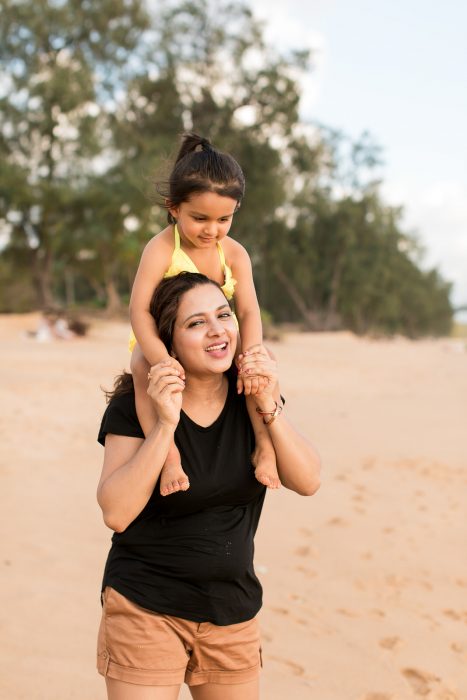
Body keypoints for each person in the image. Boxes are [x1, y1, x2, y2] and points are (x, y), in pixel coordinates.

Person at [97, 272, 321, 700]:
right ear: (168, 342)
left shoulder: (251, 400)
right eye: (196, 323)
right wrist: (164, 424)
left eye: (223, 315)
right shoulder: (135, 407)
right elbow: (116, 511)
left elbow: (308, 480)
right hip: (146, 607)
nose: (218, 330)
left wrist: (271, 404)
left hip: (232, 611)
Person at [129, 132, 279, 496]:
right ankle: (169, 456)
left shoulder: (236, 254)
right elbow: (138, 309)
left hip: (214, 337)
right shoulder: (162, 247)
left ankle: (265, 443)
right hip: (164, 338)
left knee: (261, 367)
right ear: (173, 207)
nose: (212, 230)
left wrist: (253, 352)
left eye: (224, 219)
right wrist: (162, 360)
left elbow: (247, 309)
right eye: (200, 218)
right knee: (139, 366)